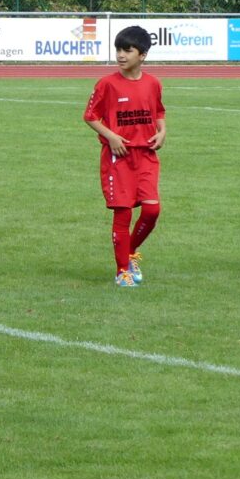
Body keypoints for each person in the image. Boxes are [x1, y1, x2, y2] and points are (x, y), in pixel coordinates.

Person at [83, 25, 166, 286]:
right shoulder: (107, 84)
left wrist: (162, 132)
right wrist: (111, 136)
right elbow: (90, 116)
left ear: (142, 55)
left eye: (127, 50)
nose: (121, 55)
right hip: (118, 159)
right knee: (123, 215)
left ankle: (128, 252)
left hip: (147, 156)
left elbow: (159, 111)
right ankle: (122, 272)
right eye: (118, 49)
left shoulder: (153, 83)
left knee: (152, 210)